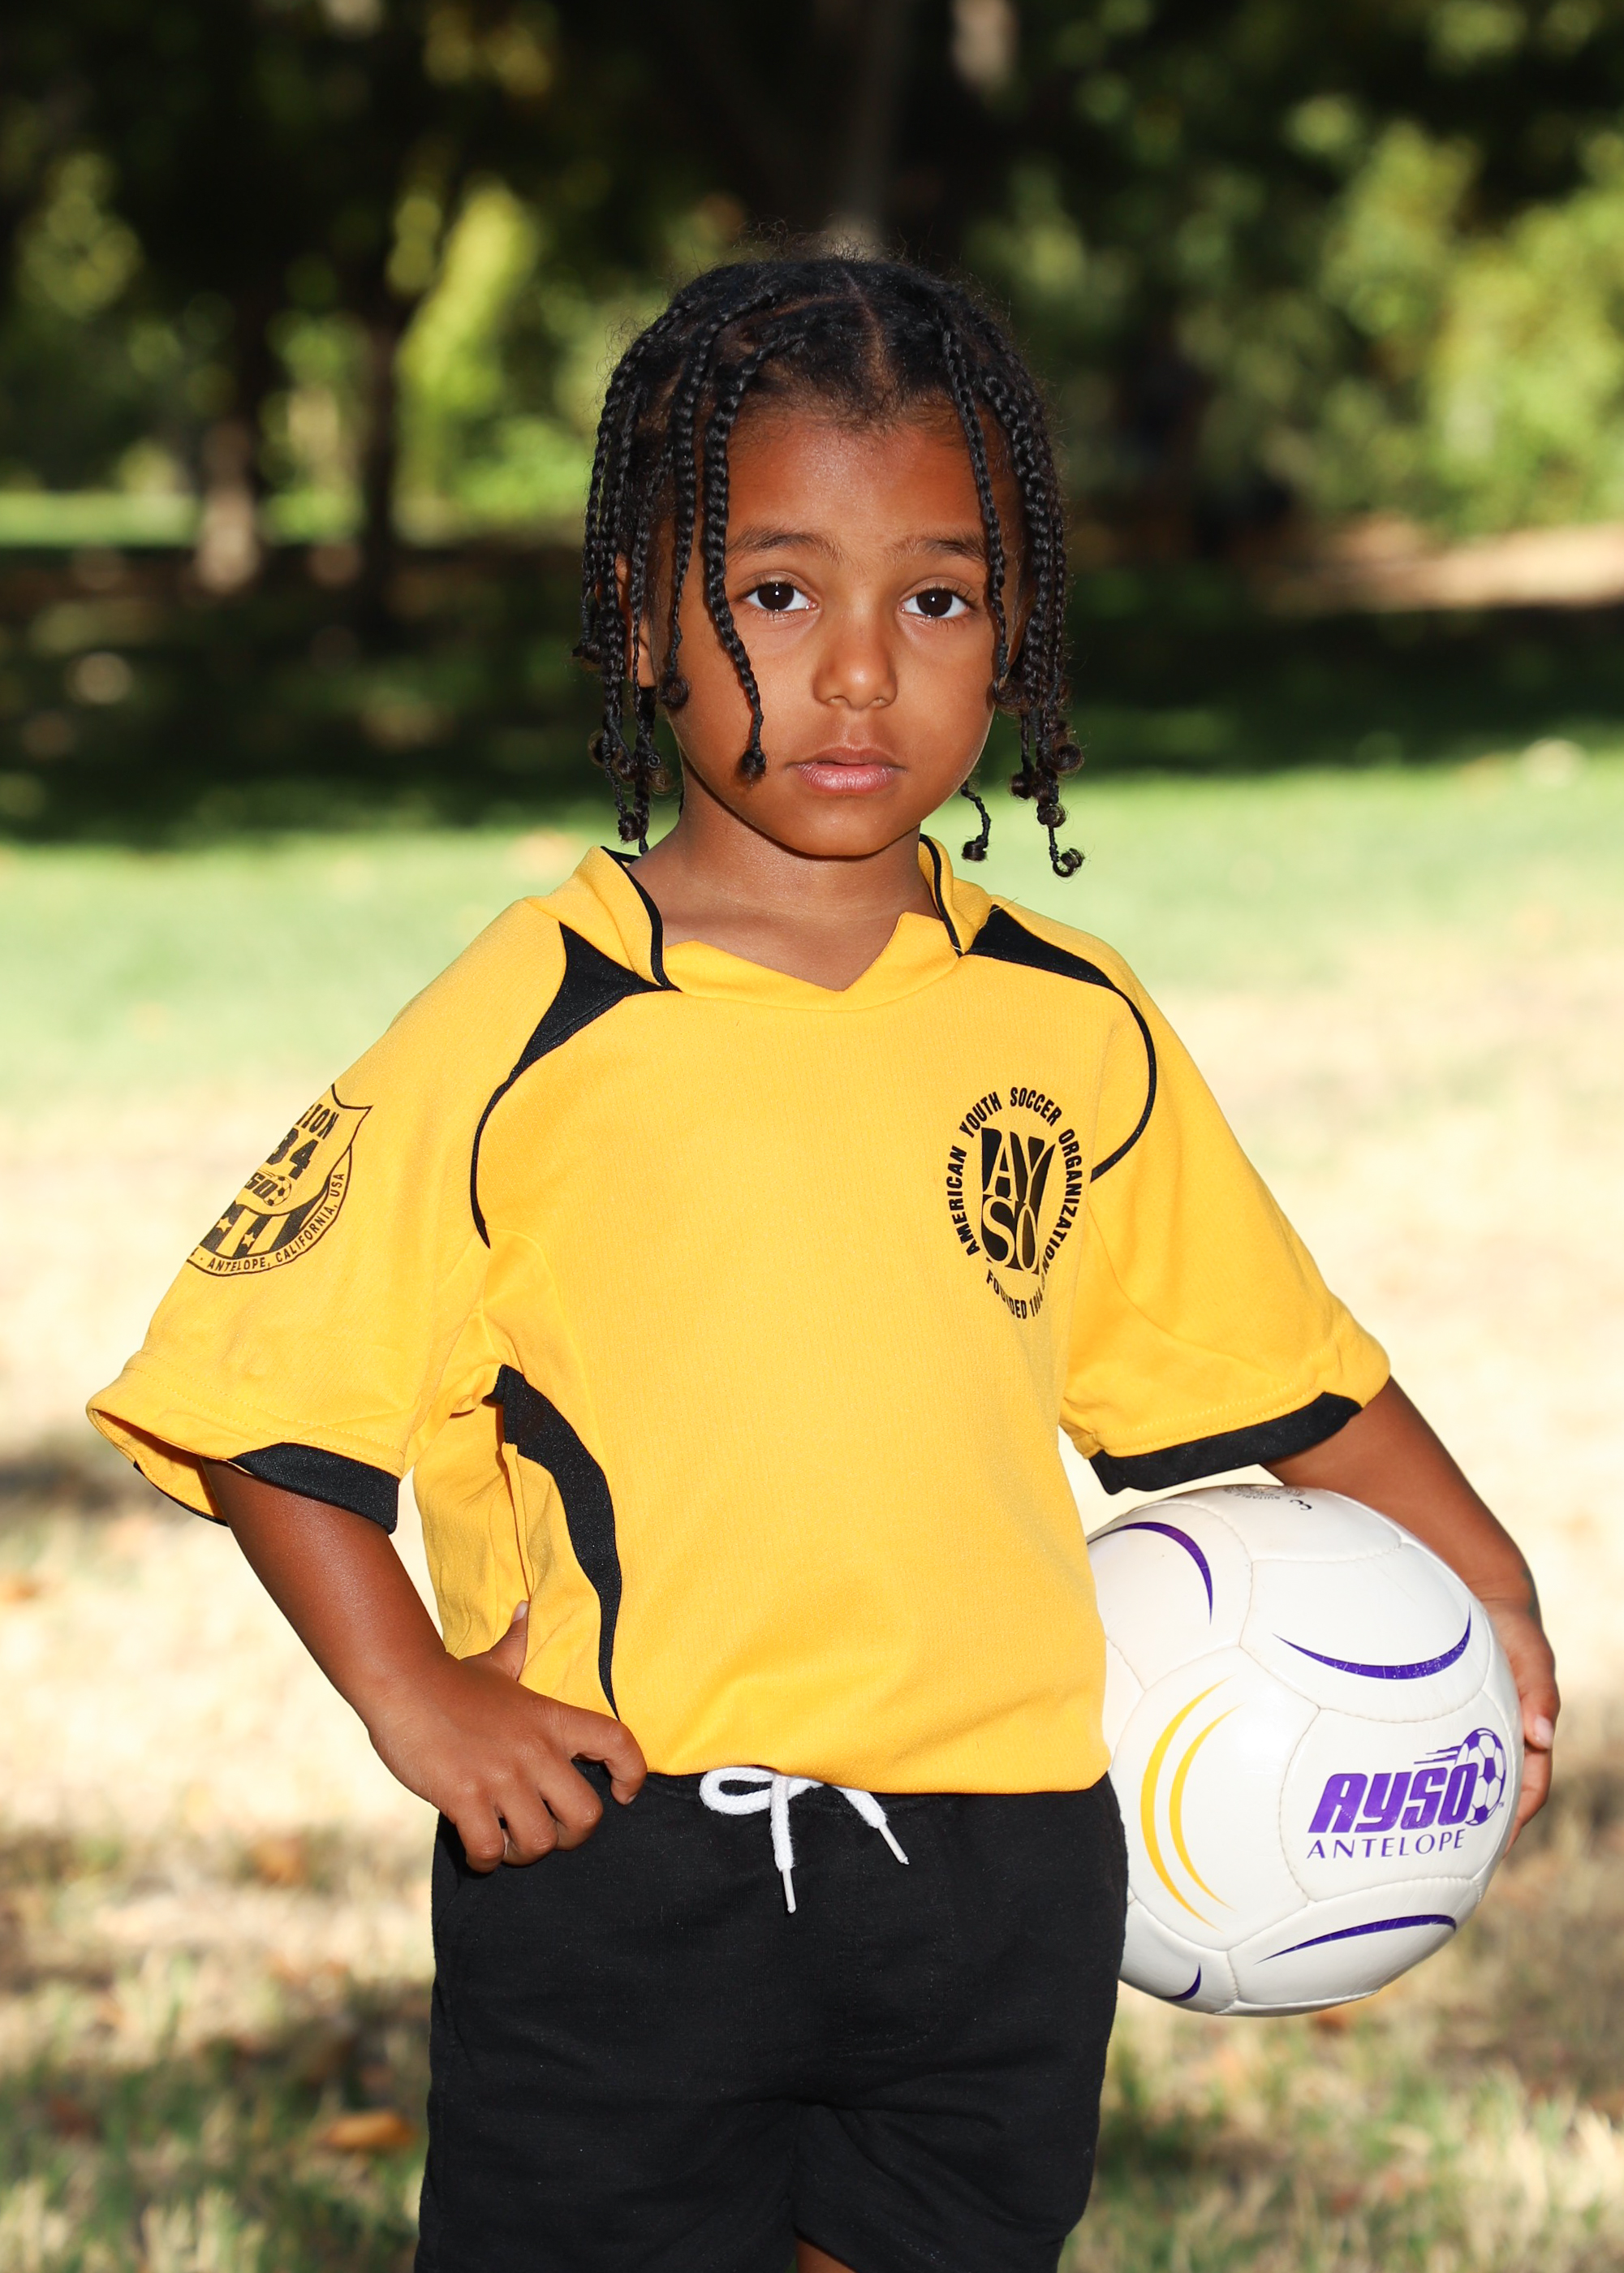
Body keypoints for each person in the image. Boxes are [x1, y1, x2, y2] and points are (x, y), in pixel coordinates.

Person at [88, 256, 1557, 2273]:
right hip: (628, 1873)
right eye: (776, 592)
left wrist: (1482, 1580)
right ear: (638, 623)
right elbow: (258, 1390)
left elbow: (1278, 1366)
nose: (859, 671)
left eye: (934, 600)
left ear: (1012, 631)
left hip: (1004, 1884)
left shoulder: (1069, 1022)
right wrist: (411, 1692)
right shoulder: (536, 1013)